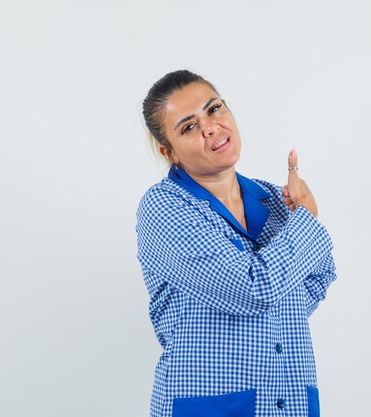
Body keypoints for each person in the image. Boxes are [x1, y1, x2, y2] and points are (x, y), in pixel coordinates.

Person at [135, 69, 337, 417]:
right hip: (210, 406)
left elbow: (322, 273)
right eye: (188, 126)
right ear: (169, 152)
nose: (210, 127)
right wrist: (306, 218)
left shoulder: (274, 198)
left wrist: (273, 306)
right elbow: (254, 289)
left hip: (289, 401)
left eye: (214, 109)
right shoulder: (163, 208)